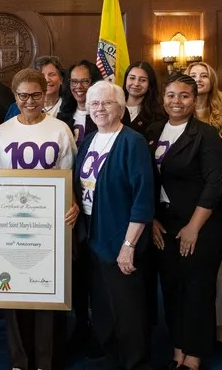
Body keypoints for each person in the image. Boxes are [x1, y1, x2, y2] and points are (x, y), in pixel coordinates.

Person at [0, 68, 79, 370]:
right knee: (17, 291)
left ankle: (47, 361)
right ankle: (19, 360)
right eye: (23, 95)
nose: (29, 101)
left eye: (36, 95)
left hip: (51, 223)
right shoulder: (3, 132)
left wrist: (73, 202)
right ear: (15, 95)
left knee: (50, 291)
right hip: (13, 223)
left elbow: (70, 175)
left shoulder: (59, 129)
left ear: (45, 93)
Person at [147, 74, 222, 370]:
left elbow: (215, 184)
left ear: (195, 100)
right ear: (162, 98)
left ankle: (193, 357)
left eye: (184, 96)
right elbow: (147, 180)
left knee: (197, 291)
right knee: (172, 288)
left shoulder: (206, 134)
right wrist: (152, 217)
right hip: (164, 223)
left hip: (200, 224)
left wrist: (194, 227)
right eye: (171, 95)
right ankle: (178, 348)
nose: (176, 101)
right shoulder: (153, 131)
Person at [74, 80, 154, 369]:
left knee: (128, 307)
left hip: (120, 237)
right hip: (91, 236)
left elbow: (143, 200)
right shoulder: (88, 141)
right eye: (94, 103)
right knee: (103, 303)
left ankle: (136, 361)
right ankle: (112, 354)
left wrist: (128, 245)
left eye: (106, 102)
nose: (99, 108)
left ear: (120, 107)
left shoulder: (133, 142)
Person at [184, 60, 222, 342]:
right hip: (185, 196)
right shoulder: (175, 112)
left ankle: (218, 325)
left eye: (204, 75)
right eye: (193, 75)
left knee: (217, 267)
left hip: (216, 195)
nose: (199, 79)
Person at [4, 56, 66, 120]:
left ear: (61, 79)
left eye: (52, 74)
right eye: (41, 75)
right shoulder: (16, 108)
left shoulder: (71, 107)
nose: (47, 80)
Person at [58, 60, 103, 144]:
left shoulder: (105, 114)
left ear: (95, 83)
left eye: (85, 81)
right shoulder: (62, 116)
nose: (78, 86)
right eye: (74, 81)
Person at [121, 61, 165, 133]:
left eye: (143, 80)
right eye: (132, 78)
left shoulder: (157, 114)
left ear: (150, 84)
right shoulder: (114, 106)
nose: (136, 83)